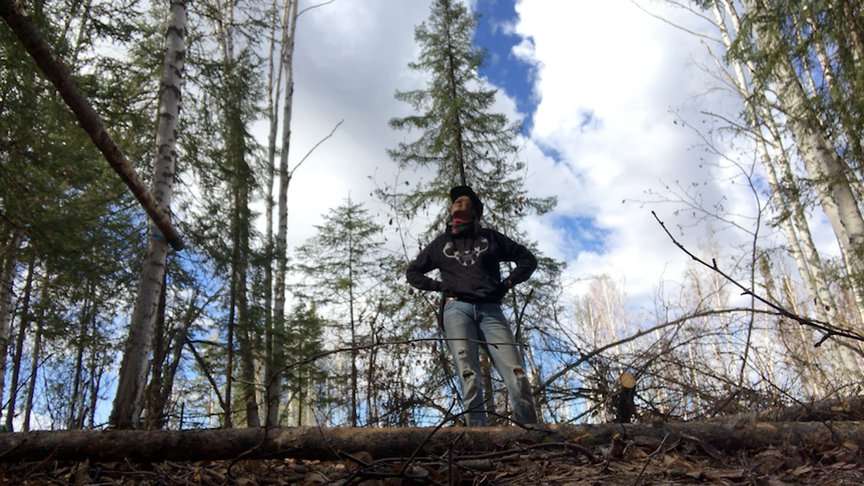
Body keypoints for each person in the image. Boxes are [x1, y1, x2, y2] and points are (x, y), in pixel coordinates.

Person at [406, 185, 538, 426]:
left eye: (464, 201)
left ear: (475, 210)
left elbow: (527, 259)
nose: (457, 204)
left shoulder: (490, 238)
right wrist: (440, 287)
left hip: (491, 310)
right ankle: (480, 437)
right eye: (455, 202)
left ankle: (531, 433)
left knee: (516, 372)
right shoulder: (441, 244)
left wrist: (507, 283)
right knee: (468, 374)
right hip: (456, 310)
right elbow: (412, 272)